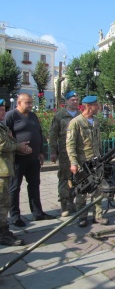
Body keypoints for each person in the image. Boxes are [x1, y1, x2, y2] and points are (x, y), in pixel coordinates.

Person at [5, 93, 56, 227]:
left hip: (33, 159)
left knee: (34, 185)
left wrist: (41, 152)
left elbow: (39, 133)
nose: (30, 105)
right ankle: (15, 216)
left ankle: (38, 213)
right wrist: (17, 147)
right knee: (14, 187)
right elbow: (5, 135)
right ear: (19, 103)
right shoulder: (11, 116)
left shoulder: (33, 115)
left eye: (31, 102)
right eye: (27, 102)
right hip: (17, 159)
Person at [66, 96, 109, 227]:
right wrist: (73, 162)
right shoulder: (76, 122)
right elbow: (70, 144)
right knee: (82, 190)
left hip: (96, 161)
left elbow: (98, 141)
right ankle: (82, 216)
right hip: (82, 162)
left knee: (98, 189)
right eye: (97, 105)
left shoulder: (95, 121)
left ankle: (98, 215)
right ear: (89, 107)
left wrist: (102, 157)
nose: (99, 107)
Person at [0, 99, 32, 245]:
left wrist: (18, 145)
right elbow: (3, 144)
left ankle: (4, 230)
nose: (3, 112)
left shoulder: (2, 126)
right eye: (0, 110)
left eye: (3, 109)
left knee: (4, 202)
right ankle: (2, 234)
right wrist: (18, 146)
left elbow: (10, 141)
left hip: (5, 169)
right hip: (1, 171)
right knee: (2, 203)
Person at [49, 91, 80, 217]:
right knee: (64, 178)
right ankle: (64, 205)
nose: (75, 101)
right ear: (66, 101)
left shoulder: (80, 115)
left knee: (76, 179)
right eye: (73, 99)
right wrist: (53, 151)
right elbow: (52, 135)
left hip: (78, 152)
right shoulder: (60, 115)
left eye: (77, 99)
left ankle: (72, 202)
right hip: (64, 152)